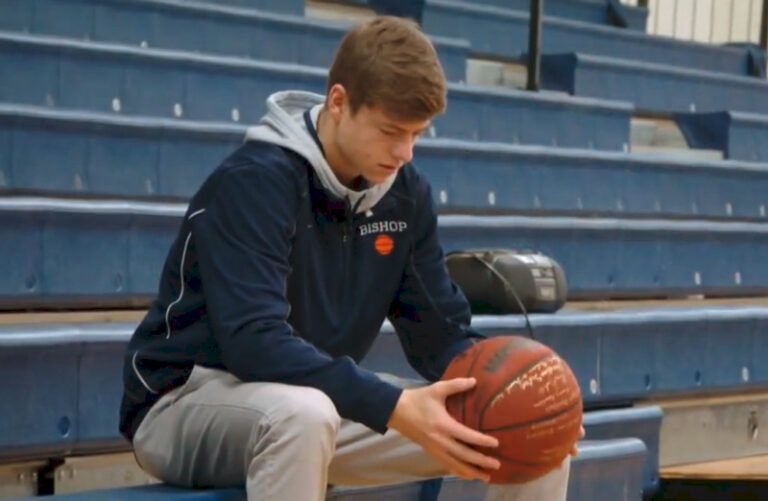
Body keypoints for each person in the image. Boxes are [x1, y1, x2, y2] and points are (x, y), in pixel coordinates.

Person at [119, 16, 577, 501]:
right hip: (183, 404)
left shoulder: (405, 196)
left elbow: (439, 335)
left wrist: (532, 392)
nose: (404, 153)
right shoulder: (255, 182)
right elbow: (254, 344)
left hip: (314, 402)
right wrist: (391, 405)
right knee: (303, 415)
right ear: (338, 102)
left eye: (417, 134)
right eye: (390, 131)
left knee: (531, 432)